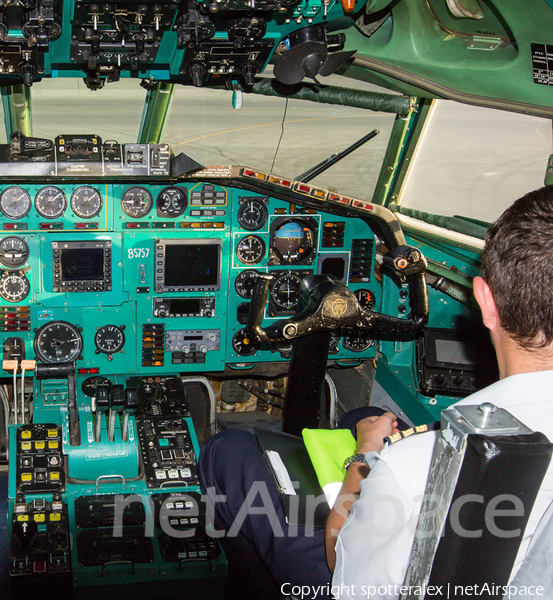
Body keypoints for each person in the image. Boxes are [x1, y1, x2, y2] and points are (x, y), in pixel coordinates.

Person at [199, 185, 553, 599]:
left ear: (485, 300)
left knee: (229, 450)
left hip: (354, 576)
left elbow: (341, 561)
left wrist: (366, 457)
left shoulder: (414, 464)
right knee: (359, 416)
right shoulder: (419, 453)